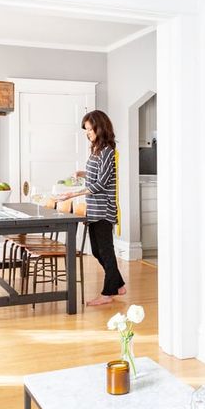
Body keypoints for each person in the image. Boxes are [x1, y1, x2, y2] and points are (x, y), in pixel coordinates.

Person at [56, 110, 126, 306]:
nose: (88, 133)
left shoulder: (108, 152)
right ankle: (118, 284)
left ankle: (107, 292)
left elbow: (102, 184)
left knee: (105, 251)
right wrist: (83, 173)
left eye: (89, 129)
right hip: (94, 209)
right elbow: (96, 176)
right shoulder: (96, 150)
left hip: (104, 209)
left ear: (99, 127)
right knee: (96, 251)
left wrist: (73, 194)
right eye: (86, 130)